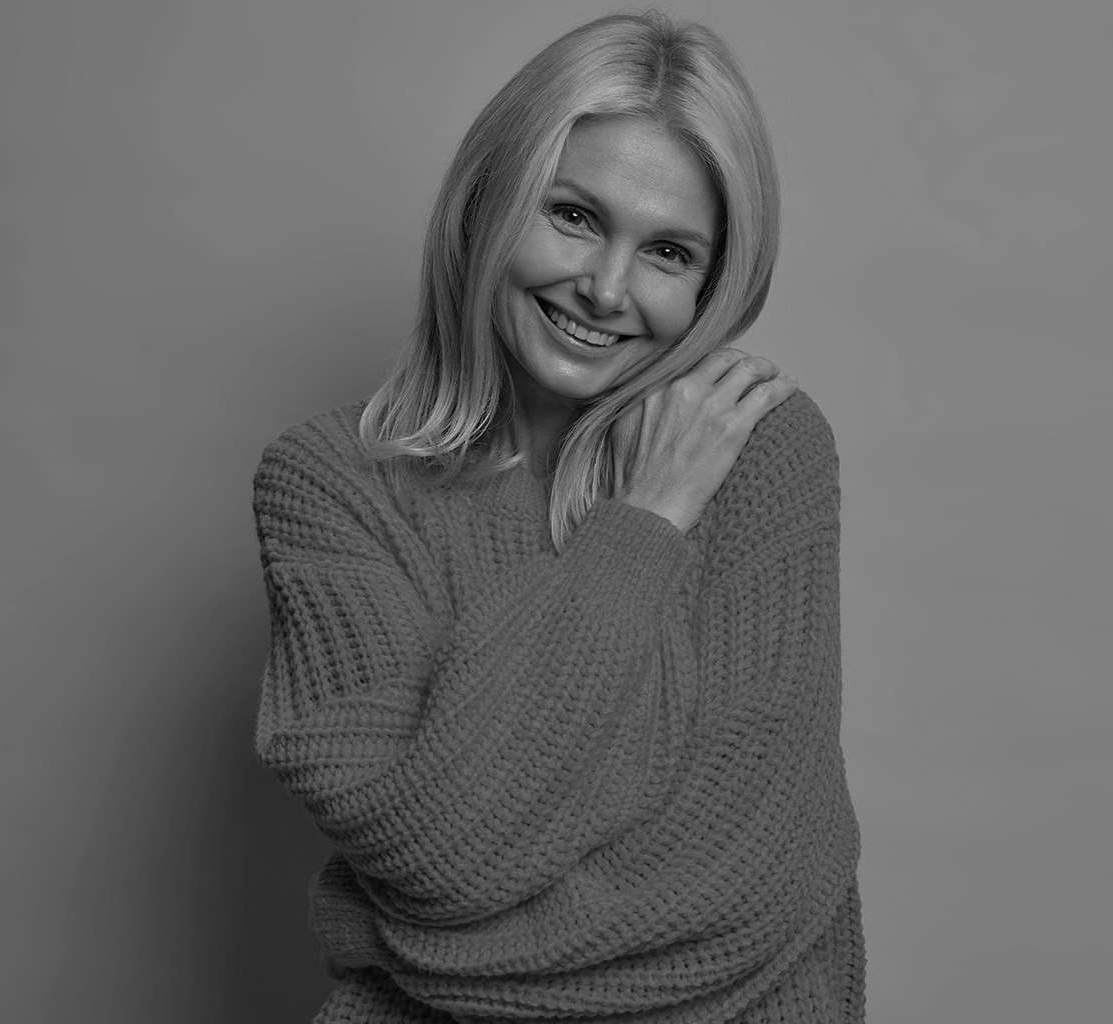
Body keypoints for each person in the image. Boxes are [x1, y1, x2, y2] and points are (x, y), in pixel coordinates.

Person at [252, 11, 863, 1023]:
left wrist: (407, 938)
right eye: (574, 216)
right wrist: (644, 522)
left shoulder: (760, 447)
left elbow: (758, 884)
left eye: (668, 252)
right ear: (487, 202)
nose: (607, 289)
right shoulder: (331, 484)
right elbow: (441, 851)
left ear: (713, 284)